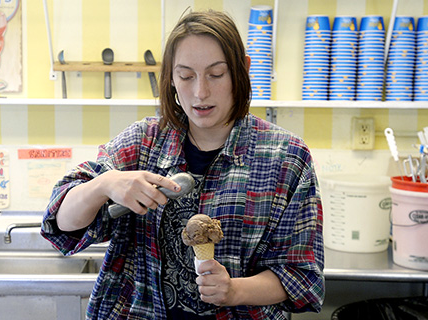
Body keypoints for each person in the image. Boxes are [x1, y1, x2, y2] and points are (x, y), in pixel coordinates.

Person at [42, 9, 324, 320]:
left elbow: (300, 275)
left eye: (216, 74)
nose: (200, 92)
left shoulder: (286, 157)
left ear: (242, 69)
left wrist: (234, 290)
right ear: (171, 78)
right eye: (186, 76)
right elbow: (61, 223)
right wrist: (104, 184)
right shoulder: (143, 143)